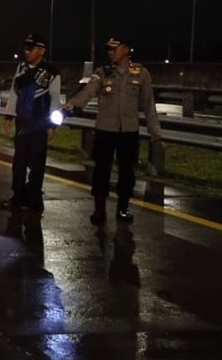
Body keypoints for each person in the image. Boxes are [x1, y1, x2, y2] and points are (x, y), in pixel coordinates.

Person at [62, 36, 161, 224]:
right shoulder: (103, 72)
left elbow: (149, 103)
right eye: (108, 49)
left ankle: (123, 207)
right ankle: (99, 209)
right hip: (105, 130)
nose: (110, 52)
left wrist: (153, 126)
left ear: (125, 49)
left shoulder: (140, 73)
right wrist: (72, 105)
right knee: (101, 171)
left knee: (127, 172)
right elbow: (88, 91)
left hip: (128, 132)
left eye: (113, 49)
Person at [0, 33, 61, 214]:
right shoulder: (22, 68)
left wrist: (52, 125)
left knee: (37, 162)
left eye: (31, 48)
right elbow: (14, 93)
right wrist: (9, 115)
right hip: (23, 121)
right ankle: (17, 196)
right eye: (26, 48)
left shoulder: (51, 73)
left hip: (39, 123)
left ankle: (34, 199)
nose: (27, 52)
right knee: (19, 161)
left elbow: (55, 100)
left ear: (41, 50)